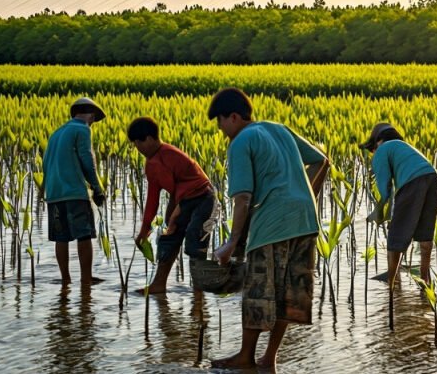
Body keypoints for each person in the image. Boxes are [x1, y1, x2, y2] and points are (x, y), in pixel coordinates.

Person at [207, 88, 329, 370]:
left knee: (258, 292)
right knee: (289, 295)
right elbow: (321, 160)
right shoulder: (279, 129)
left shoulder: (240, 142)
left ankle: (246, 358)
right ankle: (269, 359)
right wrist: (305, 195)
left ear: (233, 117)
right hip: (305, 220)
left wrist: (232, 242)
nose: (221, 130)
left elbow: (243, 197)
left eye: (220, 122)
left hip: (273, 223)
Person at [128, 116, 219, 294]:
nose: (138, 149)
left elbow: (187, 190)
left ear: (149, 139)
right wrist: (145, 230)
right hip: (184, 201)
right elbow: (153, 199)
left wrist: (174, 214)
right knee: (168, 238)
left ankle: (198, 293)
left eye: (138, 143)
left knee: (195, 241)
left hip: (203, 198)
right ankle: (159, 284)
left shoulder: (168, 155)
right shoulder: (151, 164)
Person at [360, 122, 437, 285]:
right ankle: (425, 280)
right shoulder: (404, 147)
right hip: (434, 178)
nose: (373, 153)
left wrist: (383, 212)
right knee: (425, 233)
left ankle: (392, 280)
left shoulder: (382, 149)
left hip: (413, 181)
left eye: (372, 149)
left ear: (378, 141)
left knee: (396, 235)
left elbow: (384, 188)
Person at [43, 97, 107, 286]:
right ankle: (86, 278)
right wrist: (97, 187)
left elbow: (45, 162)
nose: (93, 123)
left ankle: (66, 279)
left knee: (61, 237)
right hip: (74, 191)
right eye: (93, 119)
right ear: (91, 115)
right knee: (84, 234)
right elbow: (87, 159)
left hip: (54, 193)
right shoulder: (82, 129)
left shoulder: (56, 133)